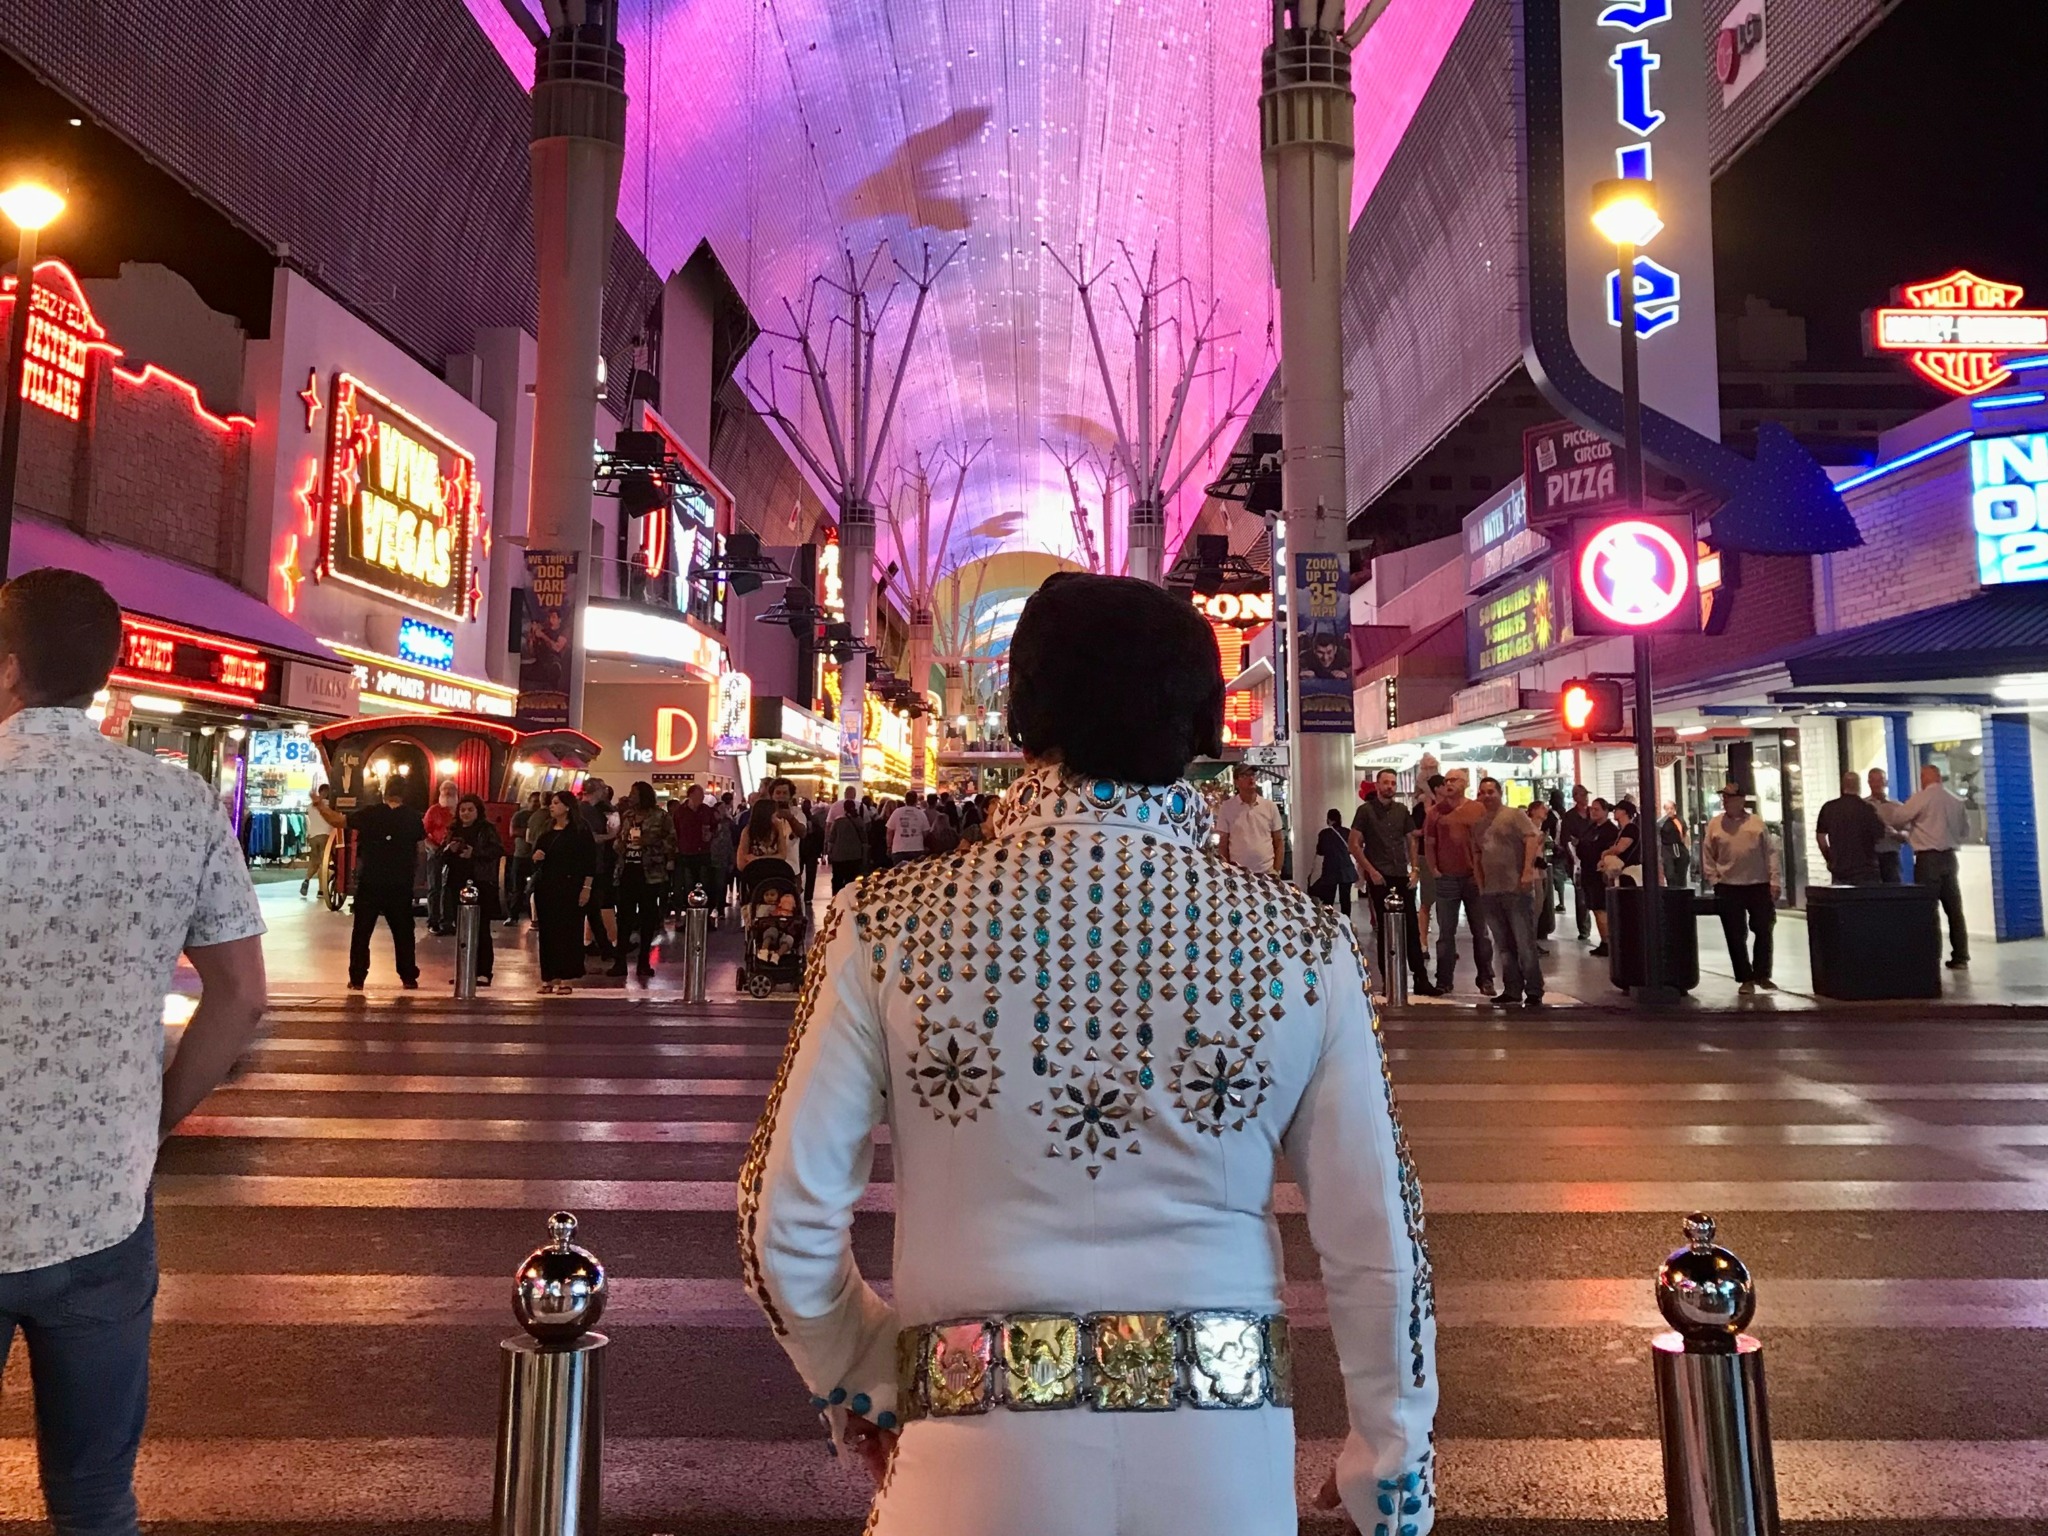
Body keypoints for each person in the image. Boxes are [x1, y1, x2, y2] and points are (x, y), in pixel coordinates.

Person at [742, 571, 1436, 1536]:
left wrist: (867, 1376)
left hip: (967, 1468)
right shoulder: (1303, 943)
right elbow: (1378, 1241)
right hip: (1223, 1465)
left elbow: (779, 1223)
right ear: (1202, 727)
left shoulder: (884, 922)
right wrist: (1389, 1466)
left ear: (1023, 719)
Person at [0, 568, 269, 1535]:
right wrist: (149, 1121)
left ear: (9, 666)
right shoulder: (178, 801)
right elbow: (241, 997)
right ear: (104, 672)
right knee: (94, 1495)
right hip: (103, 1203)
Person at [1349, 768, 1435, 995]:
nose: (1390, 787)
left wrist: (1415, 869)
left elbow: (1411, 840)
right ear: (1377, 785)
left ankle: (1420, 978)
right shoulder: (1365, 811)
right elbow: (1354, 843)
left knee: (1411, 927)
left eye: (1393, 783)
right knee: (1385, 929)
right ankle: (1389, 979)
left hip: (1400, 874)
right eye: (1386, 782)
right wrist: (1370, 871)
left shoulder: (1401, 810)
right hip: (1380, 876)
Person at [1878, 763, 1973, 969]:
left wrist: (1910, 826)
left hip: (1928, 859)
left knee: (1928, 909)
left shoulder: (1922, 798)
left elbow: (1897, 818)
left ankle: (1931, 956)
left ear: (1925, 778)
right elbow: (1965, 831)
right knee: (1954, 910)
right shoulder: (1955, 800)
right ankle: (1961, 956)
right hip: (1950, 858)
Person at [1700, 783, 1781, 994]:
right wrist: (1713, 879)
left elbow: (1770, 852)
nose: (1725, 800)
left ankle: (1762, 973)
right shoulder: (1716, 825)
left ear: (1741, 800)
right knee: (1735, 934)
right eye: (1724, 797)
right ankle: (1745, 977)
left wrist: (1774, 880)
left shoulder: (1756, 823)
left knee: (1763, 928)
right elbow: (1707, 853)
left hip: (1758, 884)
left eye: (1729, 797)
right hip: (1728, 886)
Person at [1470, 776, 1543, 1009]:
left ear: (1500, 793)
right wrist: (1480, 884)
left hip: (1516, 889)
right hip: (1491, 892)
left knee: (1524, 943)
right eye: (1483, 792)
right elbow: (1477, 854)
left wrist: (1527, 870)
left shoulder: (1514, 815)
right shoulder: (1479, 824)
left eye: (1491, 791)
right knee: (1503, 945)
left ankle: (1534, 990)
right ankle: (1512, 989)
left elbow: (1532, 839)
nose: (1487, 796)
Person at [347, 778, 427, 990]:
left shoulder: (370, 813)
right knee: (403, 932)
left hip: (371, 881)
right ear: (404, 793)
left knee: (362, 932)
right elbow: (421, 850)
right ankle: (408, 976)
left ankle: (357, 978)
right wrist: (417, 878)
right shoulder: (412, 817)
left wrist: (319, 804)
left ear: (384, 791)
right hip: (400, 883)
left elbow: (339, 820)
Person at [1423, 769, 1492, 995]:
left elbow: (1487, 840)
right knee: (1445, 933)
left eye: (1454, 780)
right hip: (1447, 878)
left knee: (1480, 931)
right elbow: (1429, 843)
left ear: (1465, 783)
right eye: (1446, 780)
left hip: (1474, 878)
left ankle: (1486, 978)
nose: (1449, 783)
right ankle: (1444, 980)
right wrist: (1434, 869)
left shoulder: (1478, 809)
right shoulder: (1435, 812)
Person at [531, 790, 596, 994]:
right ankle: (549, 976)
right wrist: (536, 857)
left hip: (570, 886)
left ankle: (566, 977)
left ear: (567, 807)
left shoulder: (579, 831)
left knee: (568, 931)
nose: (552, 806)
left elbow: (590, 861)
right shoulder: (547, 830)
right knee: (547, 932)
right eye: (551, 803)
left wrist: (586, 888)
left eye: (556, 803)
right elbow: (535, 857)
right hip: (547, 886)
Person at [612, 781, 678, 981]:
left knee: (648, 918)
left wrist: (649, 842)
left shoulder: (661, 817)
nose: (631, 796)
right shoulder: (628, 816)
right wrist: (620, 844)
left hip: (650, 873)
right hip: (627, 870)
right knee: (624, 917)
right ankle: (620, 962)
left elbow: (672, 841)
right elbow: (620, 838)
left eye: (634, 793)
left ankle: (643, 962)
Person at [441, 793, 505, 986]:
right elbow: (440, 855)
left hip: (481, 882)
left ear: (478, 811)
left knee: (481, 927)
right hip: (456, 882)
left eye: (470, 810)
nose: (466, 813)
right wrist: (450, 850)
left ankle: (483, 971)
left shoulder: (486, 829)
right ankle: (464, 970)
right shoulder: (453, 830)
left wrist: (474, 853)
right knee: (461, 927)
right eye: (462, 810)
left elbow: (497, 850)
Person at [1816, 771, 1886, 885]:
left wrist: (1830, 858)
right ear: (1859, 786)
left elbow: (1821, 838)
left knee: (1842, 896)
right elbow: (1879, 836)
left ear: (1843, 785)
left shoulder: (1829, 808)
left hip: (1839, 869)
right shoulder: (1867, 809)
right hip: (1865, 869)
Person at [1216, 762, 1283, 876]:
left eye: (1252, 775)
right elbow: (1223, 844)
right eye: (1244, 776)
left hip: (1267, 872)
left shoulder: (1269, 806)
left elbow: (1278, 841)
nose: (1250, 778)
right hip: (1239, 873)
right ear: (1236, 782)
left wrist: (1276, 870)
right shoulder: (1227, 808)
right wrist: (1227, 871)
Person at [580, 780, 621, 960]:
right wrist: (610, 836)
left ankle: (603, 945)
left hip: (593, 863)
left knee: (593, 908)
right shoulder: (588, 811)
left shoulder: (588, 810)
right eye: (603, 788)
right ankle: (603, 945)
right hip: (591, 865)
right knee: (592, 906)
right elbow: (591, 837)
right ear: (597, 790)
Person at [1573, 798, 1618, 956]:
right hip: (1588, 872)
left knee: (1601, 908)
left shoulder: (1610, 830)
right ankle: (1604, 940)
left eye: (1597, 809)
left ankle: (1607, 942)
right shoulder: (1590, 828)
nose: (1593, 812)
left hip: (1600, 874)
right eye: (1591, 809)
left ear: (1606, 811)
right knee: (1595, 908)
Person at [670, 782, 721, 911]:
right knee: (688, 883)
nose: (702, 798)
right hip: (686, 853)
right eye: (699, 795)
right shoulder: (680, 812)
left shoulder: (706, 810)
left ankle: (704, 909)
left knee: (705, 882)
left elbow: (715, 826)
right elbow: (675, 832)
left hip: (703, 852)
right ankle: (689, 909)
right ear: (691, 795)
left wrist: (711, 834)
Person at [1557, 785, 1595, 941]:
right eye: (1582, 795)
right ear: (1575, 797)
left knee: (1596, 894)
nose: (1585, 798)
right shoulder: (1569, 817)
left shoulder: (1592, 813)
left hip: (1594, 859)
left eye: (1586, 795)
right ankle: (1584, 929)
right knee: (1581, 896)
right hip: (1577, 861)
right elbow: (1566, 840)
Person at [423, 779, 460, 934]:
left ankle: (448, 920)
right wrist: (433, 848)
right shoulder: (434, 811)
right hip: (436, 853)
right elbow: (424, 833)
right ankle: (434, 921)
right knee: (435, 887)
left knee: (451, 888)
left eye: (451, 789)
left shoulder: (460, 811)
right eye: (445, 789)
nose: (448, 792)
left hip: (454, 854)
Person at [504, 790, 543, 924]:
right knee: (517, 887)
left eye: (539, 802)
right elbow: (513, 831)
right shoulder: (520, 815)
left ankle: (534, 917)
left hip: (536, 857)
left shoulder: (543, 817)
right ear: (529, 802)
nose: (537, 804)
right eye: (535, 801)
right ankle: (513, 916)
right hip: (520, 855)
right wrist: (530, 833)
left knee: (536, 888)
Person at [1309, 807, 1356, 914]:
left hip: (1330, 870)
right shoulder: (1347, 832)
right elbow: (1351, 849)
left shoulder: (1324, 834)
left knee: (1328, 899)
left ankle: (1329, 919)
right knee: (1345, 899)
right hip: (1346, 869)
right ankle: (1346, 920)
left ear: (1329, 819)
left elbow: (1320, 851)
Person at [826, 785, 870, 892]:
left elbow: (830, 834)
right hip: (855, 854)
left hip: (839, 855)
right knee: (852, 880)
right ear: (855, 794)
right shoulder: (860, 814)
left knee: (837, 879)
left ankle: (837, 897)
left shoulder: (837, 817)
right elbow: (867, 829)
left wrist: (827, 850)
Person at [1867, 767, 1905, 884]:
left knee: (1893, 891)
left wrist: (1896, 834)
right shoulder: (1862, 806)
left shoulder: (1897, 807)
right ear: (1868, 782)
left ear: (1886, 782)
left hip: (1891, 856)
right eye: (1873, 780)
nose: (1877, 784)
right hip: (1869, 858)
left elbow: (1908, 834)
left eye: (1880, 780)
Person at [888, 791, 932, 863]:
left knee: (899, 869)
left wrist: (889, 846)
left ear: (905, 800)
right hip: (917, 848)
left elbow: (889, 831)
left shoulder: (897, 812)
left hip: (899, 849)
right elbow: (926, 832)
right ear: (916, 801)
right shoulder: (920, 813)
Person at [1658, 800, 1690, 890]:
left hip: (1680, 849)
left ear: (1675, 809)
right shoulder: (1661, 822)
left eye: (1671, 808)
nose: (1670, 811)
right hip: (1667, 850)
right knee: (1670, 874)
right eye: (1667, 809)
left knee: (1681, 875)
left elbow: (1685, 834)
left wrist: (1686, 848)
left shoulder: (1679, 820)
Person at [800, 795, 827, 901]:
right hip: (812, 850)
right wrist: (820, 850)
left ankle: (797, 893)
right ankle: (808, 897)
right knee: (811, 875)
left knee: (797, 873)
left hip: (799, 850)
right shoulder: (814, 819)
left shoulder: (799, 818)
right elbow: (820, 834)